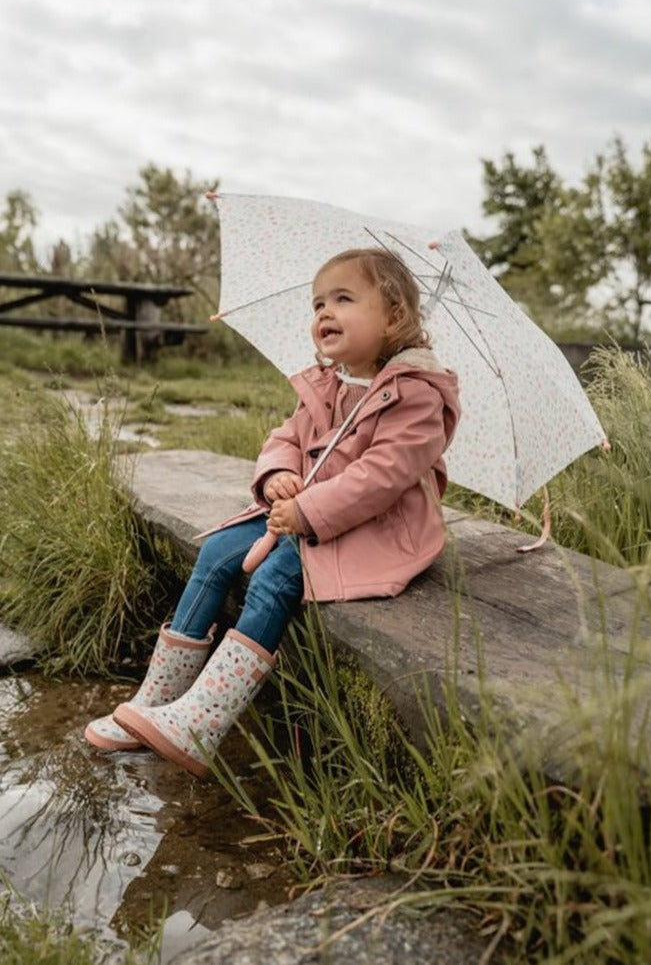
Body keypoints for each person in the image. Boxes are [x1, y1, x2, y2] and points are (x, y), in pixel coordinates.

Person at [84, 247, 461, 777]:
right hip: (304, 510)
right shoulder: (327, 382)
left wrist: (307, 509)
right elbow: (285, 437)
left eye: (344, 299)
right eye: (318, 303)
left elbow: (381, 478)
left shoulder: (417, 397)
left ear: (394, 316)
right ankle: (156, 699)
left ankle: (203, 721)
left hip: (375, 526)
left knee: (280, 573)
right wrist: (276, 474)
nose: (324, 313)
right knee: (217, 552)